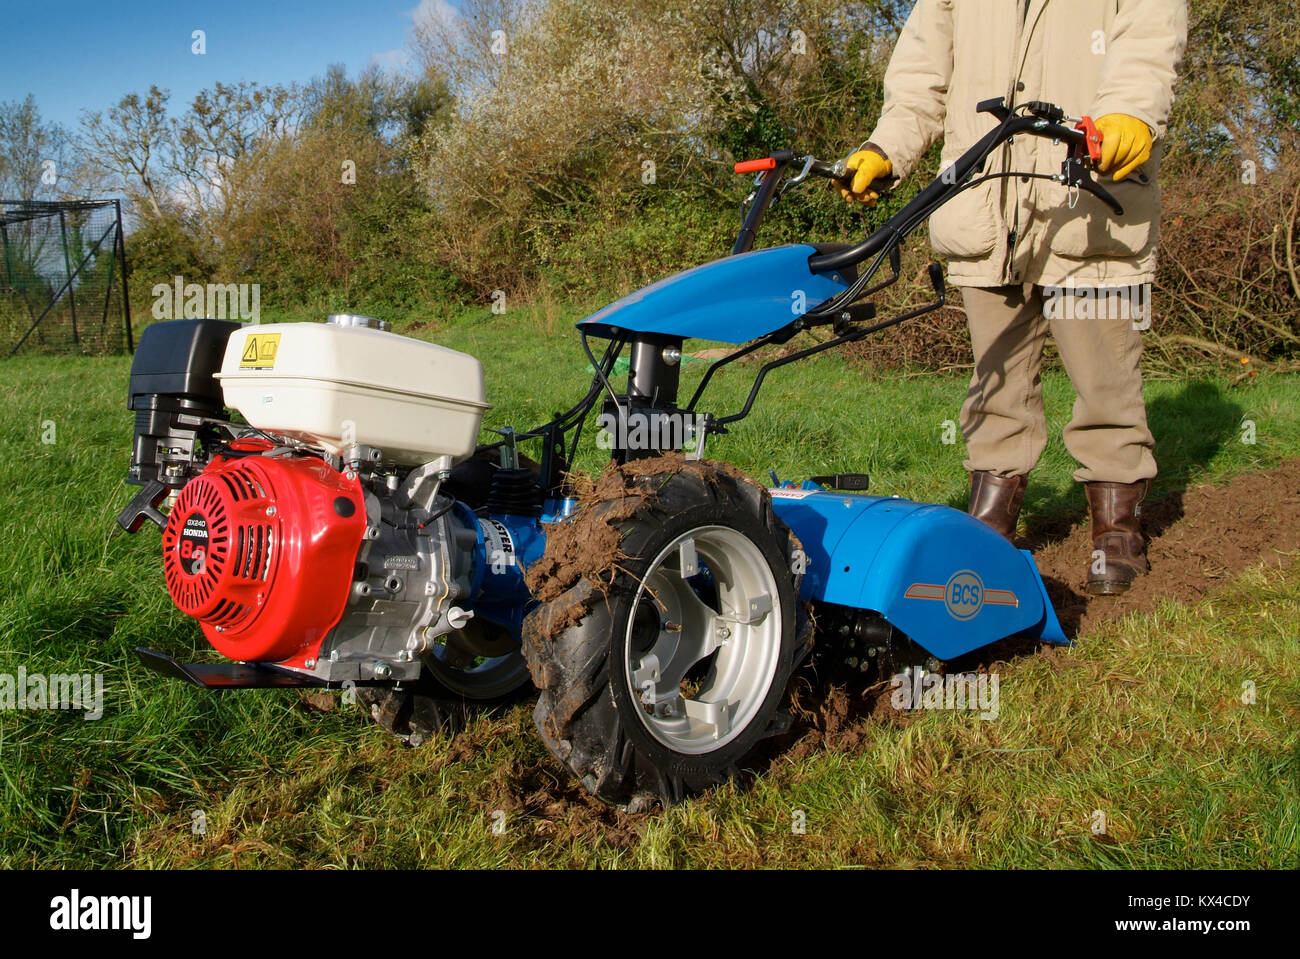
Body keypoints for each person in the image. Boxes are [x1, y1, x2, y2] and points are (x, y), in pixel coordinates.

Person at [841, 0, 1188, 594]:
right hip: (985, 202)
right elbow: (924, 70)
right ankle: (990, 525)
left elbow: (1147, 48)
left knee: (1105, 378)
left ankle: (1115, 529)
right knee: (995, 379)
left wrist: (1130, 112)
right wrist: (888, 148)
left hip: (1087, 199)